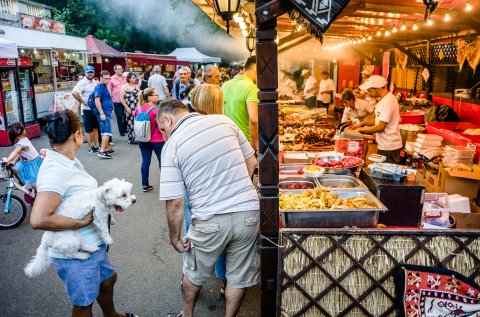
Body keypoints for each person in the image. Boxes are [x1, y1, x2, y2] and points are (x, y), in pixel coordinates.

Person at [29, 110, 138, 317]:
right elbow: (39, 218)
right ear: (76, 135)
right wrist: (79, 223)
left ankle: (111, 314)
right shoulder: (56, 169)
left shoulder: (65, 159)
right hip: (77, 253)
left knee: (108, 280)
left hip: (95, 243)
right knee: (84, 302)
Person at [157, 99, 259, 317]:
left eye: (163, 129)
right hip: (248, 214)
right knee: (237, 277)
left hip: (209, 219)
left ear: (167, 118)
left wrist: (175, 238)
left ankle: (187, 315)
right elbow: (251, 163)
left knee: (193, 276)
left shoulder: (171, 146)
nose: (165, 135)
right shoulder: (224, 121)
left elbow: (175, 202)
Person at [189, 84, 227, 295]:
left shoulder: (187, 125)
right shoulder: (225, 124)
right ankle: (223, 282)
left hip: (196, 189)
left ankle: (192, 280)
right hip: (220, 189)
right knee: (222, 238)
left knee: (193, 235)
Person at [354, 75, 403, 164]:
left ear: (378, 89)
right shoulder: (384, 100)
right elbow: (378, 120)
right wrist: (362, 123)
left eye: (370, 90)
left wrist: (360, 130)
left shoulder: (388, 102)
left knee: (386, 175)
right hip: (384, 145)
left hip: (389, 147)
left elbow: (380, 127)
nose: (368, 93)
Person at [222, 56, 259, 151]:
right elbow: (254, 120)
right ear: (256, 69)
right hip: (245, 142)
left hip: (227, 139)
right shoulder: (251, 88)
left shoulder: (225, 85)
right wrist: (255, 145)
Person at [133, 88, 164, 192]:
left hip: (143, 139)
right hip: (157, 140)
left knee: (145, 161)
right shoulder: (156, 110)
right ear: (150, 97)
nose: (158, 96)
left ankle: (145, 185)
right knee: (162, 162)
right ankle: (166, 184)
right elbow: (161, 125)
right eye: (156, 95)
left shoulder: (138, 108)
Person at [3, 122, 42, 188]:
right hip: (26, 163)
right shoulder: (23, 139)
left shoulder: (21, 143)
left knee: (34, 184)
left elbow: (15, 152)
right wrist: (14, 161)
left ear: (13, 136)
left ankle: (36, 192)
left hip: (33, 165)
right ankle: (22, 182)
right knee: (14, 168)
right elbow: (20, 153)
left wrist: (7, 160)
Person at [72, 65, 100, 154]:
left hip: (95, 108)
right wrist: (82, 101)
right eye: (88, 72)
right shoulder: (82, 82)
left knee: (96, 128)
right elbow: (74, 93)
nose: (90, 74)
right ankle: (91, 147)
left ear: (94, 73)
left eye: (91, 72)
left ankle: (97, 145)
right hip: (87, 109)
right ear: (85, 73)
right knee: (88, 129)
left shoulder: (95, 82)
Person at [94, 70, 115, 159]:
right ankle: (102, 150)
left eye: (109, 78)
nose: (108, 80)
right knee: (107, 132)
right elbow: (97, 100)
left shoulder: (103, 86)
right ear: (101, 78)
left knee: (104, 131)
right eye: (105, 78)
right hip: (104, 112)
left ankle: (107, 148)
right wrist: (102, 113)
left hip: (106, 111)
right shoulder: (100, 87)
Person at [107, 65, 127, 137]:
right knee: (119, 116)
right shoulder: (111, 79)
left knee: (126, 115)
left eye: (122, 68)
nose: (121, 70)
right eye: (119, 69)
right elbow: (109, 89)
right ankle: (121, 131)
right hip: (116, 100)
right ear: (115, 70)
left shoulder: (125, 78)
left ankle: (125, 128)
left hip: (125, 100)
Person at [120, 72, 140, 144]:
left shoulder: (137, 86)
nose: (135, 79)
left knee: (136, 123)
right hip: (128, 107)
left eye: (135, 77)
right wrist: (127, 108)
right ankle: (131, 138)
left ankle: (137, 138)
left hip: (136, 107)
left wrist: (139, 106)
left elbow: (140, 97)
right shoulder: (124, 87)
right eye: (133, 77)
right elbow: (121, 99)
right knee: (129, 123)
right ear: (129, 78)